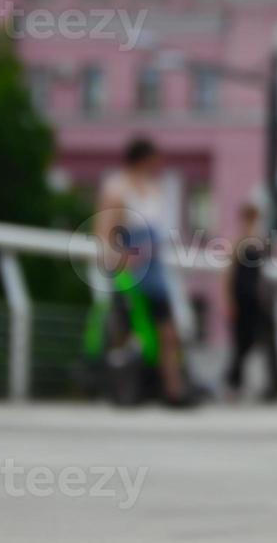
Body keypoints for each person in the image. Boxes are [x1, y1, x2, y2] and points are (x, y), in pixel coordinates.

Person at [95, 136, 190, 406]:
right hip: (131, 266)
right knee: (125, 330)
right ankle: (122, 390)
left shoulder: (155, 189)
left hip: (155, 267)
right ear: (143, 158)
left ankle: (172, 390)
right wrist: (118, 258)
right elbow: (104, 231)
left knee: (166, 330)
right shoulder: (117, 188)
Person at [225, 203, 277, 402]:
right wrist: (229, 300)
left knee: (268, 340)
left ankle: (273, 386)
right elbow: (228, 274)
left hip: (258, 299)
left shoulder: (260, 241)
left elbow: (266, 273)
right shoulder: (238, 242)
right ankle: (234, 383)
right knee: (242, 342)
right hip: (242, 298)